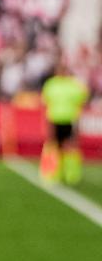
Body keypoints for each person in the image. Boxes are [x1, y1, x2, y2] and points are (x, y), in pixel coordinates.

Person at [40, 59, 90, 187]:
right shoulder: (51, 85)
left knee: (70, 147)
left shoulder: (74, 85)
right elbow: (46, 103)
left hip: (69, 119)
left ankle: (71, 174)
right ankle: (52, 172)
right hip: (54, 119)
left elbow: (82, 101)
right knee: (53, 146)